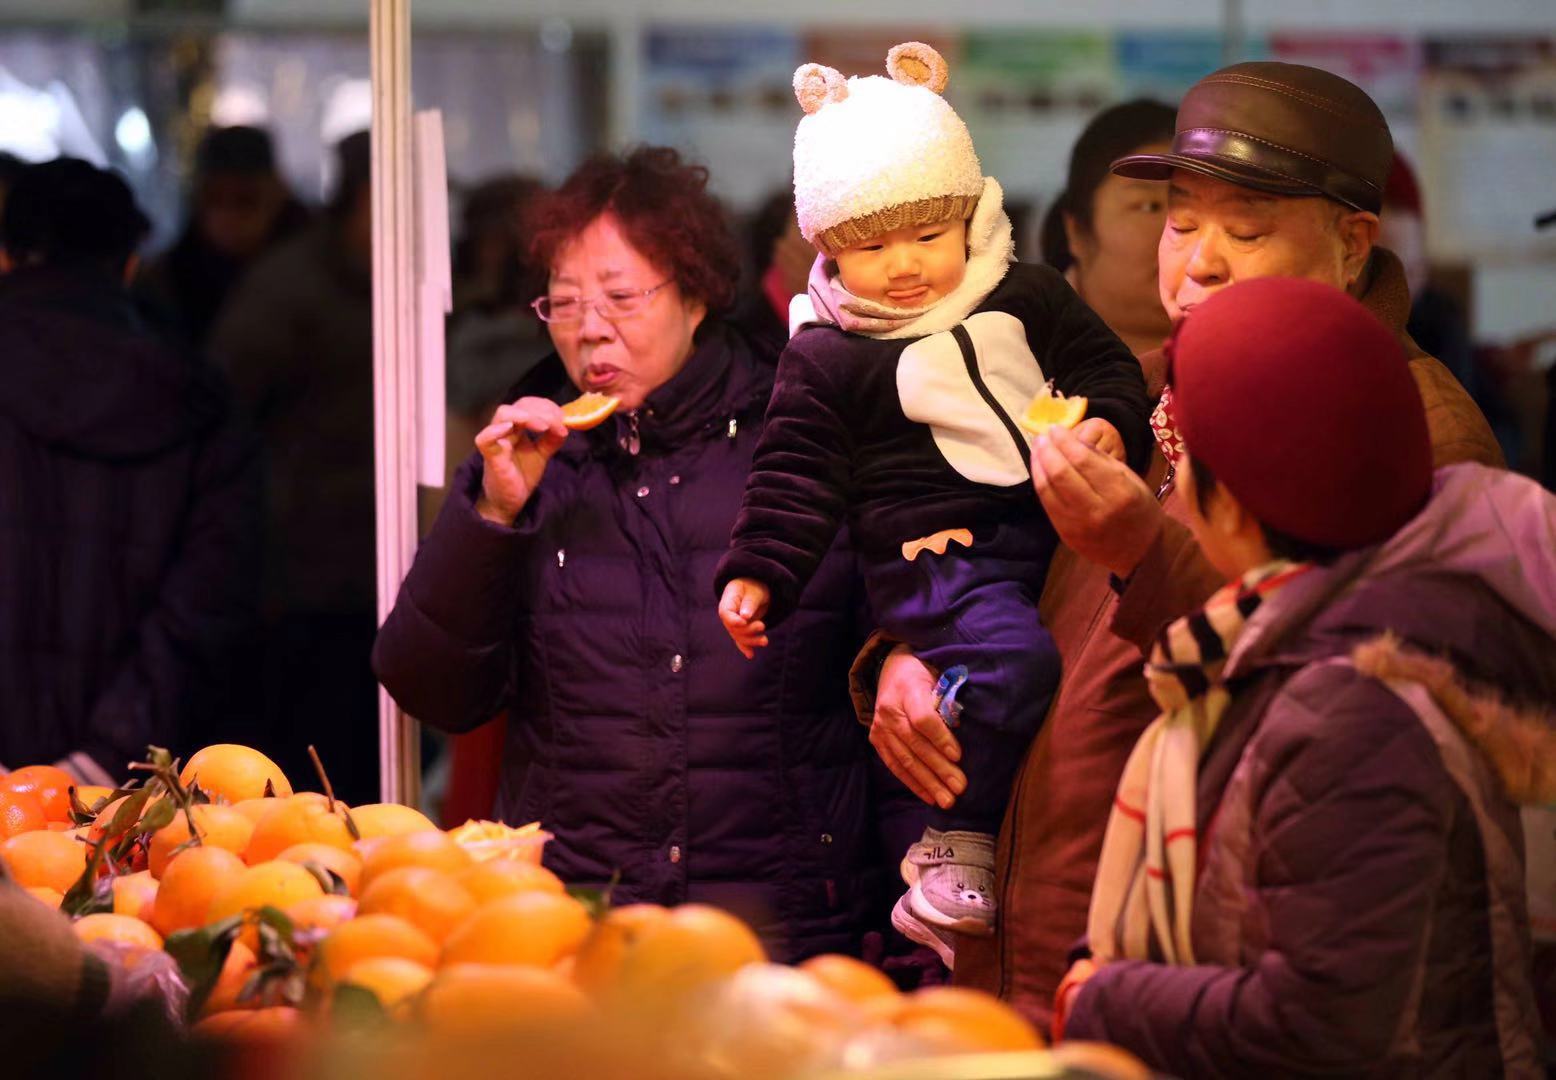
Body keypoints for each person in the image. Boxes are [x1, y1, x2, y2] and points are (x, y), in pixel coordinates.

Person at [859, 61, 1509, 1028]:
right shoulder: (1150, 389)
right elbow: (1002, 565)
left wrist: (1142, 550)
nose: (1197, 262)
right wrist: (907, 655)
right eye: (1180, 219)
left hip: (1200, 1001)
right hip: (1036, 972)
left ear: (1351, 244)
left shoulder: (1412, 435)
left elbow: (1363, 712)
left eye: (1245, 231)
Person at [373, 147, 894, 962]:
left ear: (694, 297)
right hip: (576, 926)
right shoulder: (525, 463)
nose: (590, 328)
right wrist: (491, 512)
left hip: (785, 930)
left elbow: (882, 673)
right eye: (566, 303)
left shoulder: (800, 444)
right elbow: (429, 686)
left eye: (621, 297)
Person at [715, 43, 1152, 966]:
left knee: (1038, 674)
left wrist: (1112, 423)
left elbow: (1107, 370)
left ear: (968, 214)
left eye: (927, 235)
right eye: (870, 247)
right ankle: (951, 843)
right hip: (934, 556)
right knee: (1013, 667)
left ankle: (959, 832)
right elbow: (792, 473)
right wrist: (760, 571)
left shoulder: (1026, 295)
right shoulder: (828, 355)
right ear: (828, 247)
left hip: (1045, 535)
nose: (905, 266)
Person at [1052, 275, 1552, 1075]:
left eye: (1188, 462)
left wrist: (1106, 998)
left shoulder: (1351, 710)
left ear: (1235, 508)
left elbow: (1323, 1024)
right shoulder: (1290, 643)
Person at [0, 158, 259, 784]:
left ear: (6, 256)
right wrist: (99, 758)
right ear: (129, 263)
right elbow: (210, 598)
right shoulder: (194, 394)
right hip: (134, 786)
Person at [208, 131, 378, 803]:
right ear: (354, 200)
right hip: (300, 572)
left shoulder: (395, 284)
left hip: (374, 566)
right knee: (306, 766)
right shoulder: (288, 285)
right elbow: (222, 402)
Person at [136, 126, 311, 349]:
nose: (229, 217)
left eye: (245, 200)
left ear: (275, 197)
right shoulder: (169, 278)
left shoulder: (312, 273)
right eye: (214, 199)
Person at [1040, 100, 1176, 356]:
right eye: (1149, 206)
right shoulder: (1015, 351)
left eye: (1189, 204)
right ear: (1077, 232)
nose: (1179, 225)